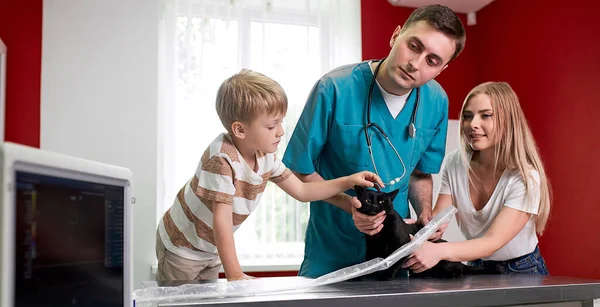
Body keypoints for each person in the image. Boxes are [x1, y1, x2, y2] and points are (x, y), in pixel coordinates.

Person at [282, 5, 466, 278]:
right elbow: (299, 171)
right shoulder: (333, 88)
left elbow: (419, 174)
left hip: (394, 259)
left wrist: (425, 215)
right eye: (414, 46)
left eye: (432, 60)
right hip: (332, 254)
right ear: (396, 36)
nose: (415, 63)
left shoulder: (437, 102)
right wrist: (351, 205)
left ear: (441, 69)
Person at [156, 69, 383, 282]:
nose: (281, 131)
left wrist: (348, 180)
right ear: (240, 130)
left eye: (281, 122)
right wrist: (235, 275)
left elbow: (302, 191)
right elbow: (221, 222)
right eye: (272, 125)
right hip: (182, 248)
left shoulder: (266, 157)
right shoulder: (222, 160)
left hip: (209, 248)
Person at [405, 82, 552, 275]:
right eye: (468, 116)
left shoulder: (525, 177)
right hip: (477, 264)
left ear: (508, 120)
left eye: (485, 115)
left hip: (522, 269)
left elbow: (492, 242)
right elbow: (440, 217)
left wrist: (439, 251)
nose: (473, 124)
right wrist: (423, 227)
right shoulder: (455, 161)